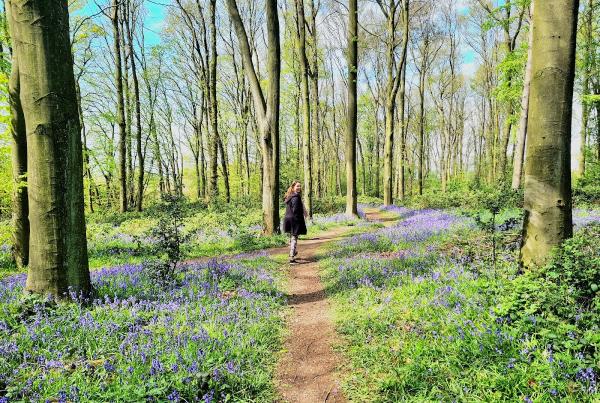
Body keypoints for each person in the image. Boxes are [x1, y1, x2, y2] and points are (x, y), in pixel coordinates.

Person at [283, 180, 308, 263]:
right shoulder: (296, 197)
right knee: (294, 237)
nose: (299, 188)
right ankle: (292, 257)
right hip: (294, 219)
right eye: (297, 186)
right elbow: (296, 209)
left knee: (292, 236)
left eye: (300, 186)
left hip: (288, 218)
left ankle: (293, 251)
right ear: (293, 187)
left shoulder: (290, 196)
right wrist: (299, 220)